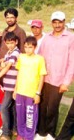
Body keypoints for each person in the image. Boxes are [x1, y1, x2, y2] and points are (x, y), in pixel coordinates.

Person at [36, 11, 74, 140]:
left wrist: (66, 82)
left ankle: (50, 133)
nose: (57, 25)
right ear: (51, 23)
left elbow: (72, 62)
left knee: (52, 107)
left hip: (58, 80)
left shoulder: (70, 38)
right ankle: (41, 132)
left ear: (64, 22)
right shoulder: (47, 37)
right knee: (41, 105)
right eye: (55, 22)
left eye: (60, 22)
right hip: (44, 78)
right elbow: (40, 56)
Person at [13, 36, 47, 140]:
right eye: (26, 47)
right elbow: (19, 73)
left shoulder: (40, 59)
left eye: (30, 47)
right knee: (20, 115)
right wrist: (15, 89)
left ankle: (28, 136)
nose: (28, 49)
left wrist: (38, 93)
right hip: (20, 92)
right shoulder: (21, 57)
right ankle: (21, 134)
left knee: (30, 117)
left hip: (31, 93)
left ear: (35, 47)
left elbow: (42, 76)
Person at [0, 32, 20, 140]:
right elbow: (5, 61)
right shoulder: (9, 52)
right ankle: (14, 129)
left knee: (4, 108)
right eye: (8, 43)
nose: (10, 45)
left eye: (12, 43)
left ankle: (5, 133)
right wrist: (1, 61)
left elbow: (7, 66)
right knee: (12, 108)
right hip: (9, 85)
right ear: (5, 43)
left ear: (16, 42)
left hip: (12, 86)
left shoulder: (16, 53)